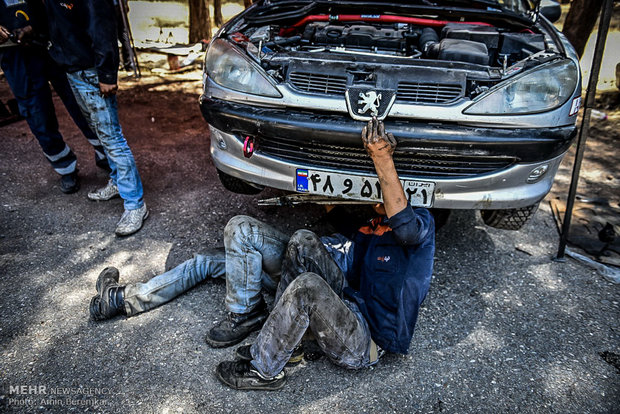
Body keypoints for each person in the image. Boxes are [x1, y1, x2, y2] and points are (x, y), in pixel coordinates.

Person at [89, 118, 435, 390]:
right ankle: (124, 299)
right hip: (333, 304)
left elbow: (403, 226)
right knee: (253, 246)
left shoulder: (419, 226)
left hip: (363, 340)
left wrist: (381, 157)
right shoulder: (367, 227)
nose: (373, 195)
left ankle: (264, 369)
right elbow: (332, 237)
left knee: (308, 287)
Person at [40, 0, 147, 236]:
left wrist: (107, 73)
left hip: (90, 71)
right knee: (101, 133)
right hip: (71, 69)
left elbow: (103, 26)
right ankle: (118, 181)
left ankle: (135, 205)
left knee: (112, 138)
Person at [0, 0, 109, 194]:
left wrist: (37, 25)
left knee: (79, 99)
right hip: (14, 52)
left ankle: (105, 153)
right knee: (36, 113)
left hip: (52, 39)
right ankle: (64, 165)